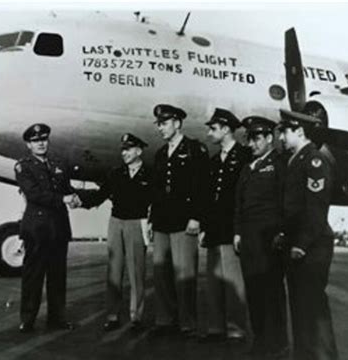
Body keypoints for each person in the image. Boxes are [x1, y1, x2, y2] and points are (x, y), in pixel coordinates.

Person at [276, 109, 340, 360]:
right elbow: (292, 209)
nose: (281, 136)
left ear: (299, 132)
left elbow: (315, 209)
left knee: (313, 303)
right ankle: (304, 358)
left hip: (312, 245)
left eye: (285, 131)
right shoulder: (296, 159)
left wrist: (301, 243)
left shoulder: (314, 161)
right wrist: (284, 235)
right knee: (300, 302)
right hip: (297, 242)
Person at [76, 133, 151, 331]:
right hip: (116, 223)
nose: (124, 153)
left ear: (138, 151)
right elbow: (100, 195)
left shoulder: (150, 174)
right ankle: (112, 315)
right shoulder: (116, 173)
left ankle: (136, 317)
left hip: (137, 223)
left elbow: (158, 201)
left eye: (128, 149)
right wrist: (79, 200)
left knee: (137, 272)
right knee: (114, 272)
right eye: (122, 149)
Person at [149, 104, 209, 337]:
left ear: (177, 123)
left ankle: (187, 324)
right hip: (163, 222)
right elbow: (156, 191)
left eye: (164, 124)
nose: (160, 129)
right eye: (159, 124)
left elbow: (202, 186)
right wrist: (152, 220)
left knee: (185, 275)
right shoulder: (160, 154)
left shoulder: (195, 149)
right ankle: (165, 321)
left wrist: (196, 217)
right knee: (161, 273)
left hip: (184, 222)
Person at [14, 123, 78, 333]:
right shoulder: (23, 166)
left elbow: (68, 189)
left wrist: (79, 198)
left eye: (43, 139)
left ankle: (57, 319)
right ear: (28, 144)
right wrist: (64, 198)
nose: (41, 143)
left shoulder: (57, 164)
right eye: (35, 141)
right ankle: (28, 320)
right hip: (37, 229)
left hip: (58, 228)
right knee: (33, 276)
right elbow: (34, 195)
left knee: (57, 277)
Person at [233, 116, 288, 356]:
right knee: (254, 290)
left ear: (269, 138)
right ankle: (260, 340)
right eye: (249, 139)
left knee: (271, 291)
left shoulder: (280, 163)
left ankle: (278, 343)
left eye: (256, 139)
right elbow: (238, 204)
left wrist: (283, 232)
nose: (251, 144)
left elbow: (287, 201)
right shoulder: (248, 167)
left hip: (270, 239)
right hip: (249, 239)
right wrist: (236, 232)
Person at [201, 108, 251, 342]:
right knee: (214, 282)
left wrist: (241, 230)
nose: (209, 133)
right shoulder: (213, 160)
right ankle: (215, 328)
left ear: (226, 129)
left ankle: (236, 329)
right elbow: (209, 197)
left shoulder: (244, 157)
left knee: (233, 281)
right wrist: (204, 227)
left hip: (232, 229)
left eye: (213, 129)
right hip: (214, 230)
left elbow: (246, 198)